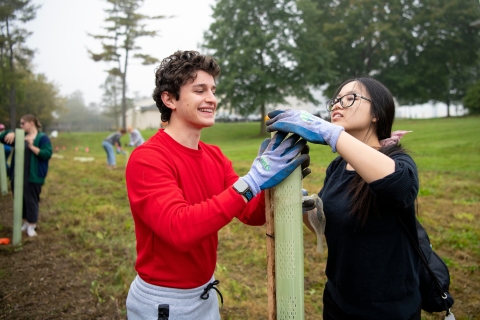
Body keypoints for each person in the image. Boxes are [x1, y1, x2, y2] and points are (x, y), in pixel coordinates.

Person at [125, 50, 310, 319]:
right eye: (199, 90)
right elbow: (180, 231)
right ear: (169, 98)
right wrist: (253, 180)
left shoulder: (214, 155)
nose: (211, 99)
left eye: (213, 90)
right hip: (164, 303)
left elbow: (251, 213)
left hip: (205, 295)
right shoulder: (148, 159)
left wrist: (277, 183)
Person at [266, 77, 421, 320]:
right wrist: (295, 198)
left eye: (350, 99)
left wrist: (330, 133)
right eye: (336, 100)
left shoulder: (397, 161)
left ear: (377, 113)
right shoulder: (338, 166)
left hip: (386, 309)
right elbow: (330, 223)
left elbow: (400, 187)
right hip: (339, 300)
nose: (337, 105)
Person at [0, 115, 52, 237]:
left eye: (23, 123)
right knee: (20, 199)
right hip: (18, 175)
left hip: (33, 176)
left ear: (31, 123)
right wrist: (12, 133)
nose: (21, 126)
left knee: (31, 200)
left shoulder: (42, 138)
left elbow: (47, 153)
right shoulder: (20, 136)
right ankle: (25, 221)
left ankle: (32, 225)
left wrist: (32, 147)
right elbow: (2, 138)